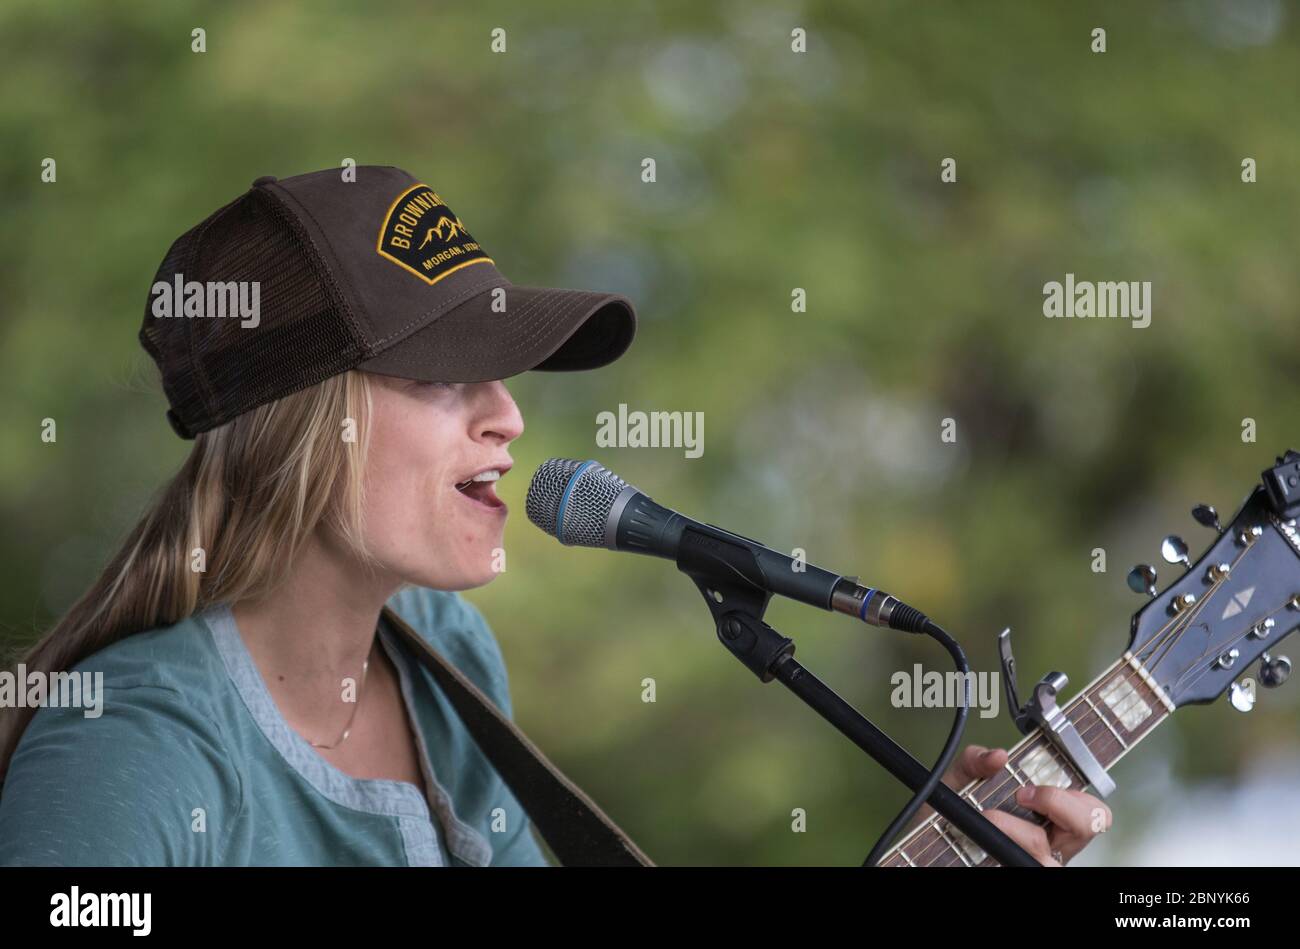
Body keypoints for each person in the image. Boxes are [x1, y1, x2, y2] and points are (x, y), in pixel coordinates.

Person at [0, 165, 1109, 866]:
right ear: (298, 422)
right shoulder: (132, 749)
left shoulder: (450, 661)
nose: (509, 416)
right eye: (443, 378)